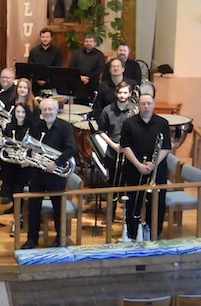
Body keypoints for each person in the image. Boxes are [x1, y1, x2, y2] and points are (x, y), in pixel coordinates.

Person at [21, 98, 77, 249]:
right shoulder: (36, 126)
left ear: (56, 110)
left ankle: (60, 238)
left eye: (50, 109)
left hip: (56, 176)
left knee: (58, 209)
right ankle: (32, 239)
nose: (48, 112)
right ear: (41, 111)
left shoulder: (65, 127)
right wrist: (28, 158)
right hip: (38, 174)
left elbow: (71, 149)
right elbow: (29, 147)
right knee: (33, 209)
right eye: (45, 110)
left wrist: (56, 163)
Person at [120, 93, 171, 239]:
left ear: (154, 105)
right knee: (133, 202)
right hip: (134, 170)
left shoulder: (163, 123)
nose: (146, 107)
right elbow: (125, 147)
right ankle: (132, 233)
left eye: (149, 104)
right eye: (143, 104)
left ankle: (154, 233)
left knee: (157, 203)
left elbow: (166, 147)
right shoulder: (129, 123)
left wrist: (154, 164)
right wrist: (138, 164)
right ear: (138, 106)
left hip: (157, 170)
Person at [98, 81, 138, 220]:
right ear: (116, 93)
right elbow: (101, 131)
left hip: (130, 153)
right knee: (112, 185)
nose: (122, 95)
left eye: (125, 93)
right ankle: (110, 215)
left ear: (130, 94)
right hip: (113, 151)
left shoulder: (135, 110)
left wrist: (128, 147)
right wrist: (113, 145)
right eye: (120, 92)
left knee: (128, 184)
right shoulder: (107, 110)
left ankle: (129, 217)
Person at [0, 103, 36, 213]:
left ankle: (20, 208)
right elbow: (5, 144)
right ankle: (15, 205)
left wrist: (26, 160)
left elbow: (34, 148)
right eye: (18, 112)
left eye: (23, 112)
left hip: (26, 163)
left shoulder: (32, 128)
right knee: (8, 178)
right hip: (12, 162)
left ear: (27, 113)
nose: (20, 114)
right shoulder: (10, 126)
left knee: (19, 183)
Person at [69, 35, 105, 104]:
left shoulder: (100, 55)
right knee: (77, 105)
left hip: (92, 85)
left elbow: (100, 69)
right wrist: (80, 77)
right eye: (87, 41)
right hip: (78, 84)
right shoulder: (77, 53)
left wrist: (88, 78)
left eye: (91, 41)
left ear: (95, 43)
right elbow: (72, 67)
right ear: (84, 42)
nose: (88, 43)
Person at [28, 28, 62, 93]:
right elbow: (30, 68)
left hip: (51, 85)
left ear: (51, 38)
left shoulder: (57, 52)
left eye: (47, 37)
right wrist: (37, 80)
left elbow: (57, 69)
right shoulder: (34, 51)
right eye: (43, 37)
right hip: (36, 85)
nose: (45, 39)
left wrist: (47, 80)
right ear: (40, 37)